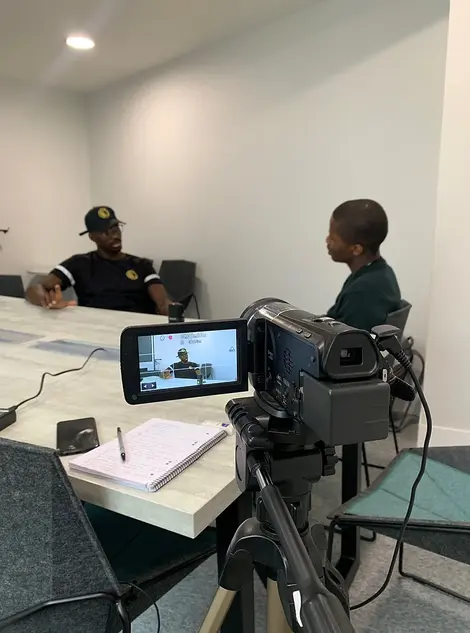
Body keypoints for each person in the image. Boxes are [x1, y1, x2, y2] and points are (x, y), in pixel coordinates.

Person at [26, 206, 169, 315]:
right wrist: (47, 301)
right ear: (92, 237)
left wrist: (171, 311)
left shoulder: (142, 265)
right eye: (105, 232)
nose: (115, 235)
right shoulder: (80, 263)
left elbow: (163, 303)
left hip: (134, 330)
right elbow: (35, 288)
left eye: (116, 228)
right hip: (95, 329)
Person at [326, 199, 402, 331]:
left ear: (356, 249)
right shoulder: (380, 272)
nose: (327, 240)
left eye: (333, 238)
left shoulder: (363, 292)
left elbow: (348, 341)